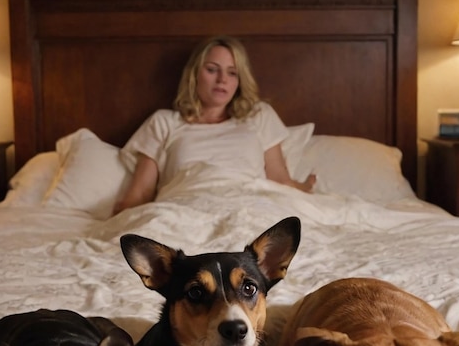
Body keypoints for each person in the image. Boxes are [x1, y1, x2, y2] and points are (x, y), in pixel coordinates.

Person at [113, 35, 316, 214]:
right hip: (183, 209)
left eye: (232, 73)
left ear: (239, 81)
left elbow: (279, 180)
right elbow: (140, 193)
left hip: (248, 208)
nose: (222, 80)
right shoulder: (164, 122)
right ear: (194, 75)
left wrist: (305, 188)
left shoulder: (258, 116)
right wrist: (120, 223)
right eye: (212, 70)